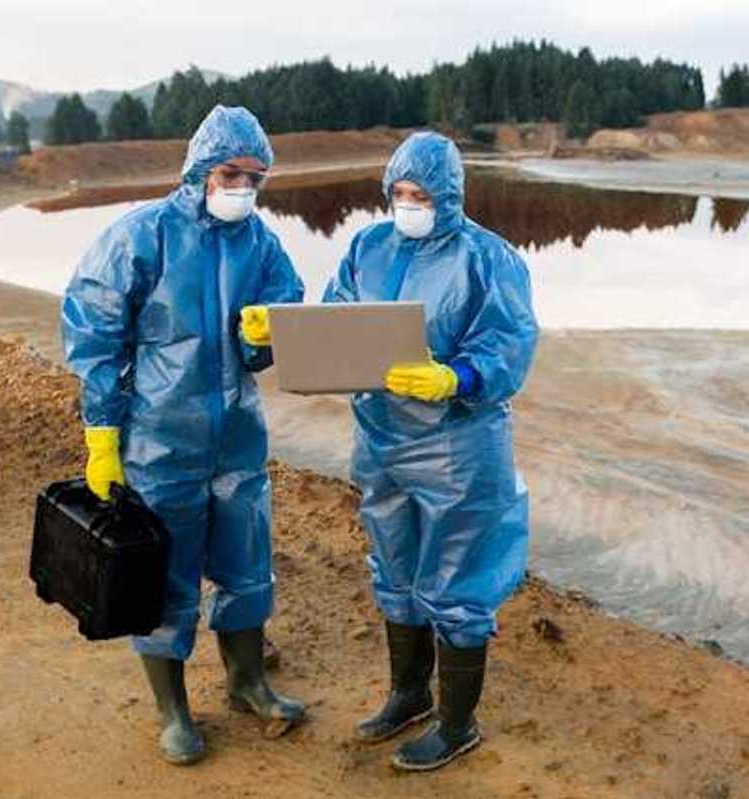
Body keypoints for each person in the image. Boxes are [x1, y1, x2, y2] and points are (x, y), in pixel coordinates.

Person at [60, 105, 306, 765]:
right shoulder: (141, 236)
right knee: (164, 580)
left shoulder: (261, 243)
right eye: (231, 173)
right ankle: (173, 711)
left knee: (247, 568)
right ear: (200, 168)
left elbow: (286, 319)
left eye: (255, 177)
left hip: (237, 441)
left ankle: (249, 681)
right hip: (160, 443)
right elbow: (95, 333)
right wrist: (103, 434)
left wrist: (267, 336)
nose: (243, 189)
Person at [323, 130, 539, 771]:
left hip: (458, 445)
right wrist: (285, 334)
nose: (407, 204)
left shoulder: (487, 258)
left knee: (458, 579)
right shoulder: (368, 245)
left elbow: (509, 341)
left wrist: (459, 377)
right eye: (399, 192)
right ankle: (409, 693)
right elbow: (336, 318)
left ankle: (457, 724)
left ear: (448, 196)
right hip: (382, 434)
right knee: (395, 565)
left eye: (421, 194)